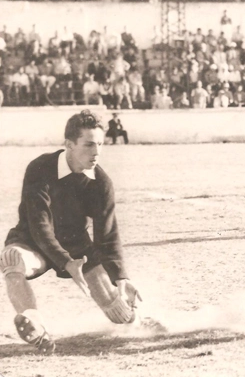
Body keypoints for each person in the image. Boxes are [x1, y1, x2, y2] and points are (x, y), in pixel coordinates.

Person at [0, 111, 155, 355]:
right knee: (11, 258)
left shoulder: (101, 182)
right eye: (89, 144)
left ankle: (137, 320)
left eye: (101, 144)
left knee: (118, 312)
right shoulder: (40, 168)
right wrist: (65, 262)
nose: (97, 152)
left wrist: (120, 277)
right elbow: (40, 225)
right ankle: (37, 329)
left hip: (78, 249)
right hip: (32, 243)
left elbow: (107, 235)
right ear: (69, 144)